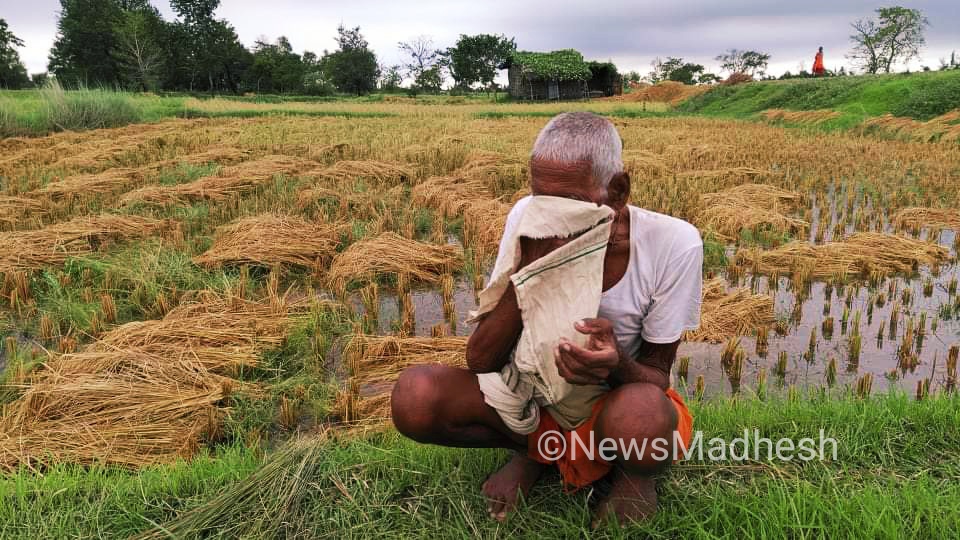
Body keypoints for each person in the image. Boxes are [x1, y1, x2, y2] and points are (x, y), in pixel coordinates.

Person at [390, 112, 703, 525]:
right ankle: (534, 453)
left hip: (613, 400)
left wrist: (615, 366)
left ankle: (633, 477)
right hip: (532, 392)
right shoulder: (529, 217)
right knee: (416, 398)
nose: (551, 215)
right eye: (543, 199)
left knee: (641, 417)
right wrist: (532, 271)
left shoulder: (673, 243)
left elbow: (657, 376)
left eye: (568, 204)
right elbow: (481, 360)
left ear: (618, 190)